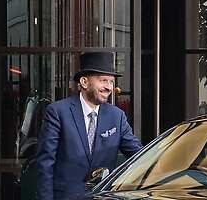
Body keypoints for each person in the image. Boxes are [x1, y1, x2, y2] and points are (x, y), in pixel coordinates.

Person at [35, 52, 142, 200]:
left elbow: (139, 156)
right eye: (103, 80)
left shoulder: (117, 117)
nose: (109, 87)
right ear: (84, 82)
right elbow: (45, 164)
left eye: (111, 82)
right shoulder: (58, 112)